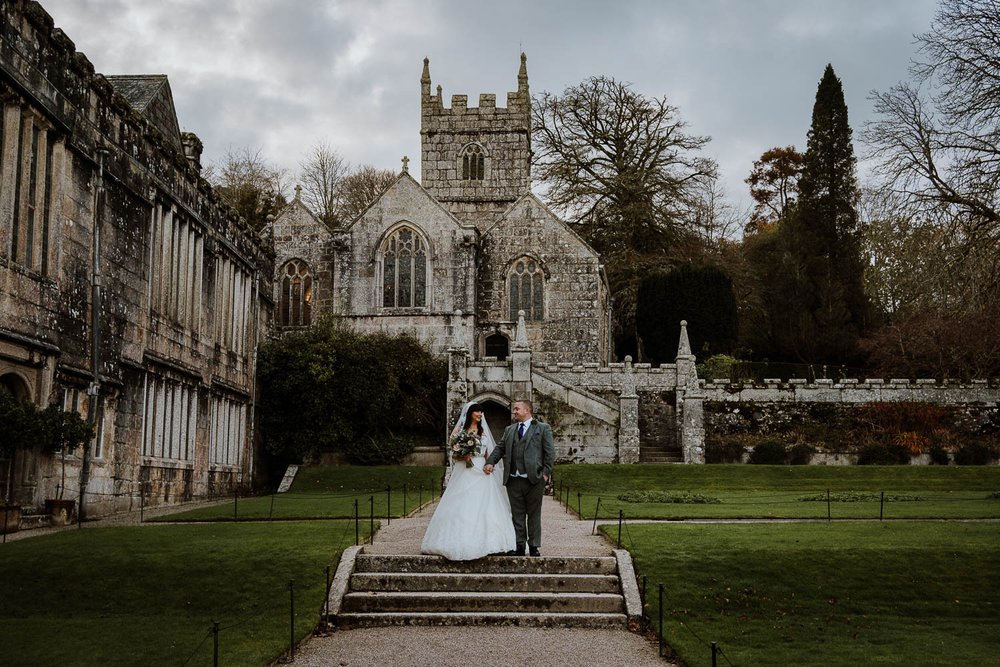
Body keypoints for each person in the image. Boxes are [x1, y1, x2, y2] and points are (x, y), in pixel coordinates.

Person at [421, 402, 516, 560]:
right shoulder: (459, 432)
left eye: (481, 412)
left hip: (481, 470)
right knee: (463, 501)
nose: (480, 414)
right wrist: (463, 455)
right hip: (465, 469)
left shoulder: (483, 431)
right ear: (470, 413)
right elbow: (454, 454)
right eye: (478, 411)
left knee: (487, 503)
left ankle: (494, 541)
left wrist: (489, 464)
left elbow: (486, 453)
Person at [484, 399, 554, 557]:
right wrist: (490, 462)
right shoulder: (509, 430)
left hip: (535, 479)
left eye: (517, 409)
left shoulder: (542, 428)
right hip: (513, 479)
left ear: (527, 410)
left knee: (534, 514)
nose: (514, 411)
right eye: (514, 409)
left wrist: (545, 475)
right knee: (517, 514)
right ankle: (519, 545)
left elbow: (549, 453)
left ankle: (534, 546)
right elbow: (500, 448)